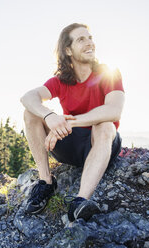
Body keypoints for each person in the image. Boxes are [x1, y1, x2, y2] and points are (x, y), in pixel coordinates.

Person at [20, 23, 125, 222]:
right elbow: (28, 96)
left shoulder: (109, 73)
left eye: (90, 38)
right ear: (68, 50)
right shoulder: (61, 80)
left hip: (102, 144)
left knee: (105, 124)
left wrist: (70, 123)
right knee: (31, 113)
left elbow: (114, 110)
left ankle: (80, 201)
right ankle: (46, 182)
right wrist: (49, 116)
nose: (90, 43)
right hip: (70, 146)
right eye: (81, 39)